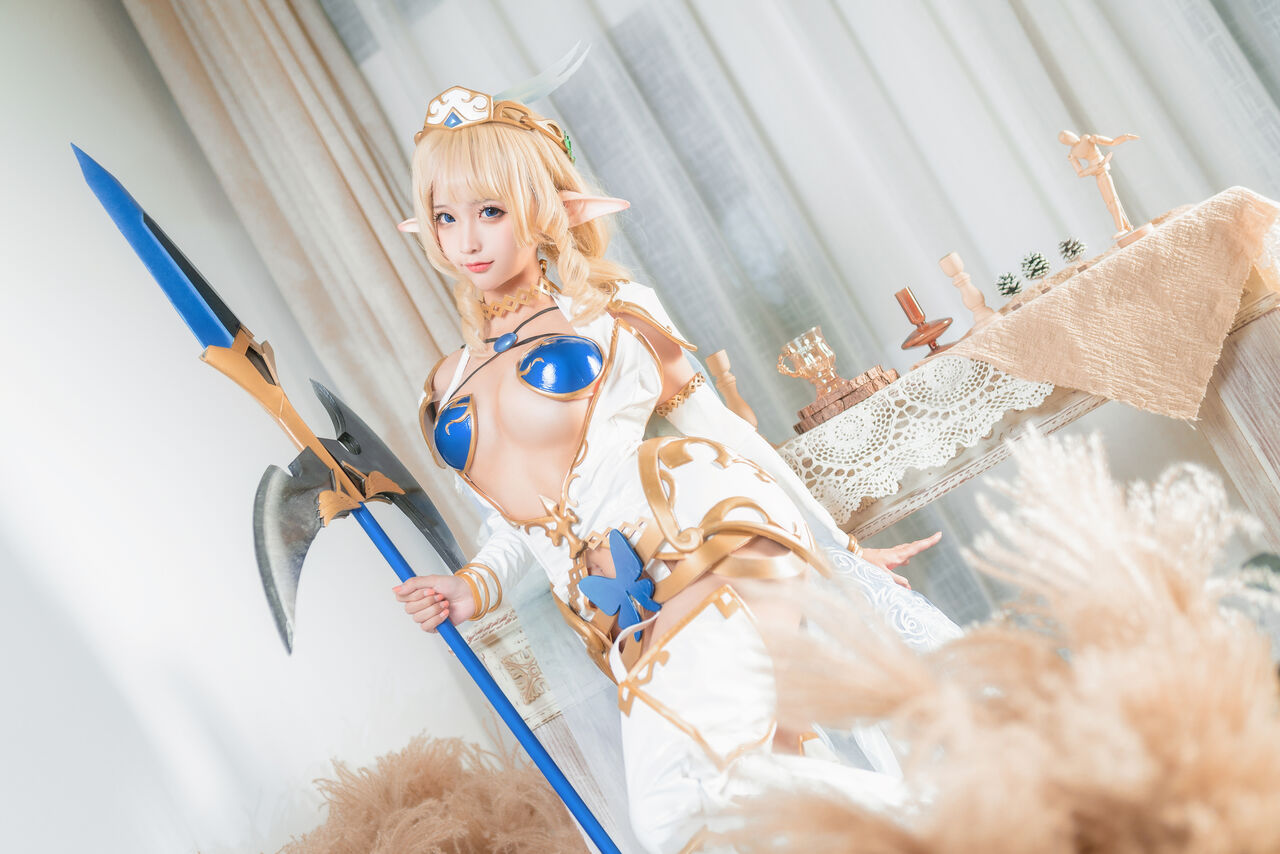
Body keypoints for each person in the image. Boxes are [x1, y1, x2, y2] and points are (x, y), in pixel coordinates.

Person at [392, 83, 960, 853]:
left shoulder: (609, 314)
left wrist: (838, 548)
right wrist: (469, 587)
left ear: (543, 207)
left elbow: (720, 429)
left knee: (711, 796)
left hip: (704, 545)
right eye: (446, 216)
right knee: (720, 816)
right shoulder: (446, 381)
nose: (468, 239)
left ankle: (965, 819)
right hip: (619, 612)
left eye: (490, 210)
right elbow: (518, 520)